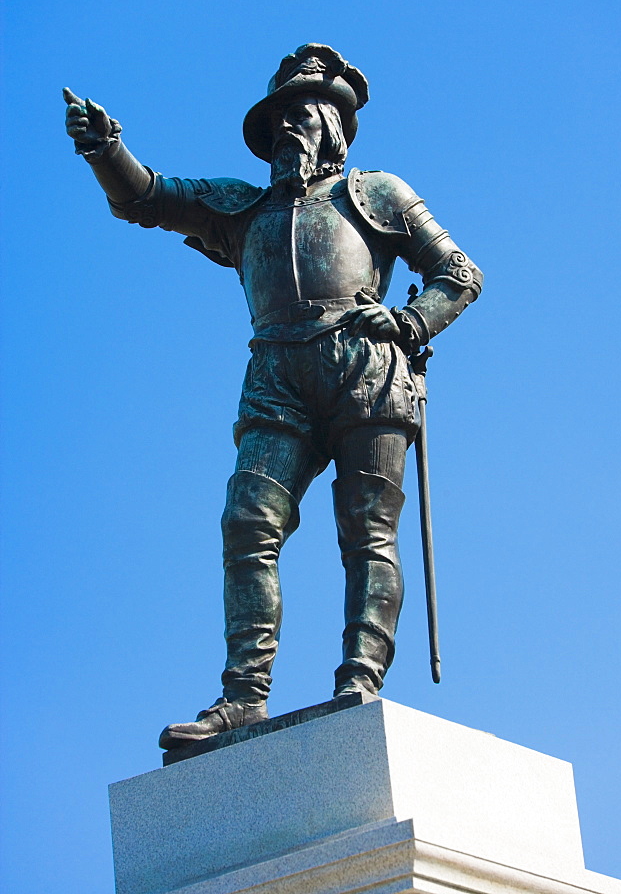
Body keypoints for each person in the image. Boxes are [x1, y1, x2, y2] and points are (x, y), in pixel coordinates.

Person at [63, 43, 483, 750]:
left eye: (303, 114)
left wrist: (411, 322)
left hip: (366, 369)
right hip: (276, 376)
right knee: (247, 524)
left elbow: (460, 272)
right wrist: (106, 149)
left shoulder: (379, 193)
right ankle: (241, 698)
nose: (289, 126)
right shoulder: (240, 209)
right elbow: (146, 197)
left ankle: (360, 675)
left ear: (334, 125)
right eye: (280, 116)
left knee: (366, 531)